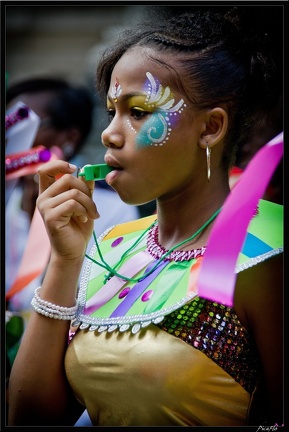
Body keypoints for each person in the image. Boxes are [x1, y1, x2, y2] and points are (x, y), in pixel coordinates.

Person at [8, 6, 283, 427]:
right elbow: (30, 417)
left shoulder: (267, 246)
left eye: (138, 112)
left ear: (210, 128)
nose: (109, 133)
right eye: (112, 111)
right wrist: (64, 261)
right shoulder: (109, 246)